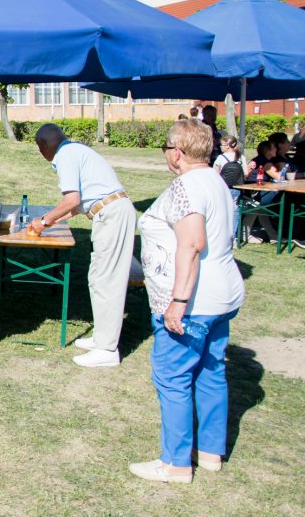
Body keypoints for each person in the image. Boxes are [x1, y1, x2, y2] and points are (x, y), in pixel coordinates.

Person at [130, 119, 244, 484]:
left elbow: (192, 244)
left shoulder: (186, 186)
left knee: (173, 377)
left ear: (176, 153)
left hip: (192, 301)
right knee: (211, 373)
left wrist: (178, 301)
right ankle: (210, 452)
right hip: (221, 295)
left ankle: (175, 463)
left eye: (166, 149)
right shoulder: (217, 180)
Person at [28, 123, 136, 367]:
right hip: (107, 211)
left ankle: (107, 350)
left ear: (44, 145)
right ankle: (101, 337)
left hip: (112, 214)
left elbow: (72, 199)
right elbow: (77, 206)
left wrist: (44, 220)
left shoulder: (65, 155)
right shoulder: (74, 151)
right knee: (98, 277)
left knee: (107, 280)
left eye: (38, 147)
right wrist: (49, 221)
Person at [212, 135, 249, 245]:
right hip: (237, 188)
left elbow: (215, 174)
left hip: (223, 188)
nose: (220, 147)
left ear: (228, 146)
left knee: (222, 211)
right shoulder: (241, 157)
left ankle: (220, 236)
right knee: (235, 211)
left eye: (222, 145)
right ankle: (233, 237)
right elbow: (246, 173)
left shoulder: (220, 158)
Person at [242, 140, 281, 244]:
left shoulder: (260, 159)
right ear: (267, 151)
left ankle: (274, 236)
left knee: (260, 208)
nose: (276, 149)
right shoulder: (265, 162)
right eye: (274, 148)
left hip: (255, 192)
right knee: (259, 206)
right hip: (253, 192)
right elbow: (279, 176)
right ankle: (244, 234)